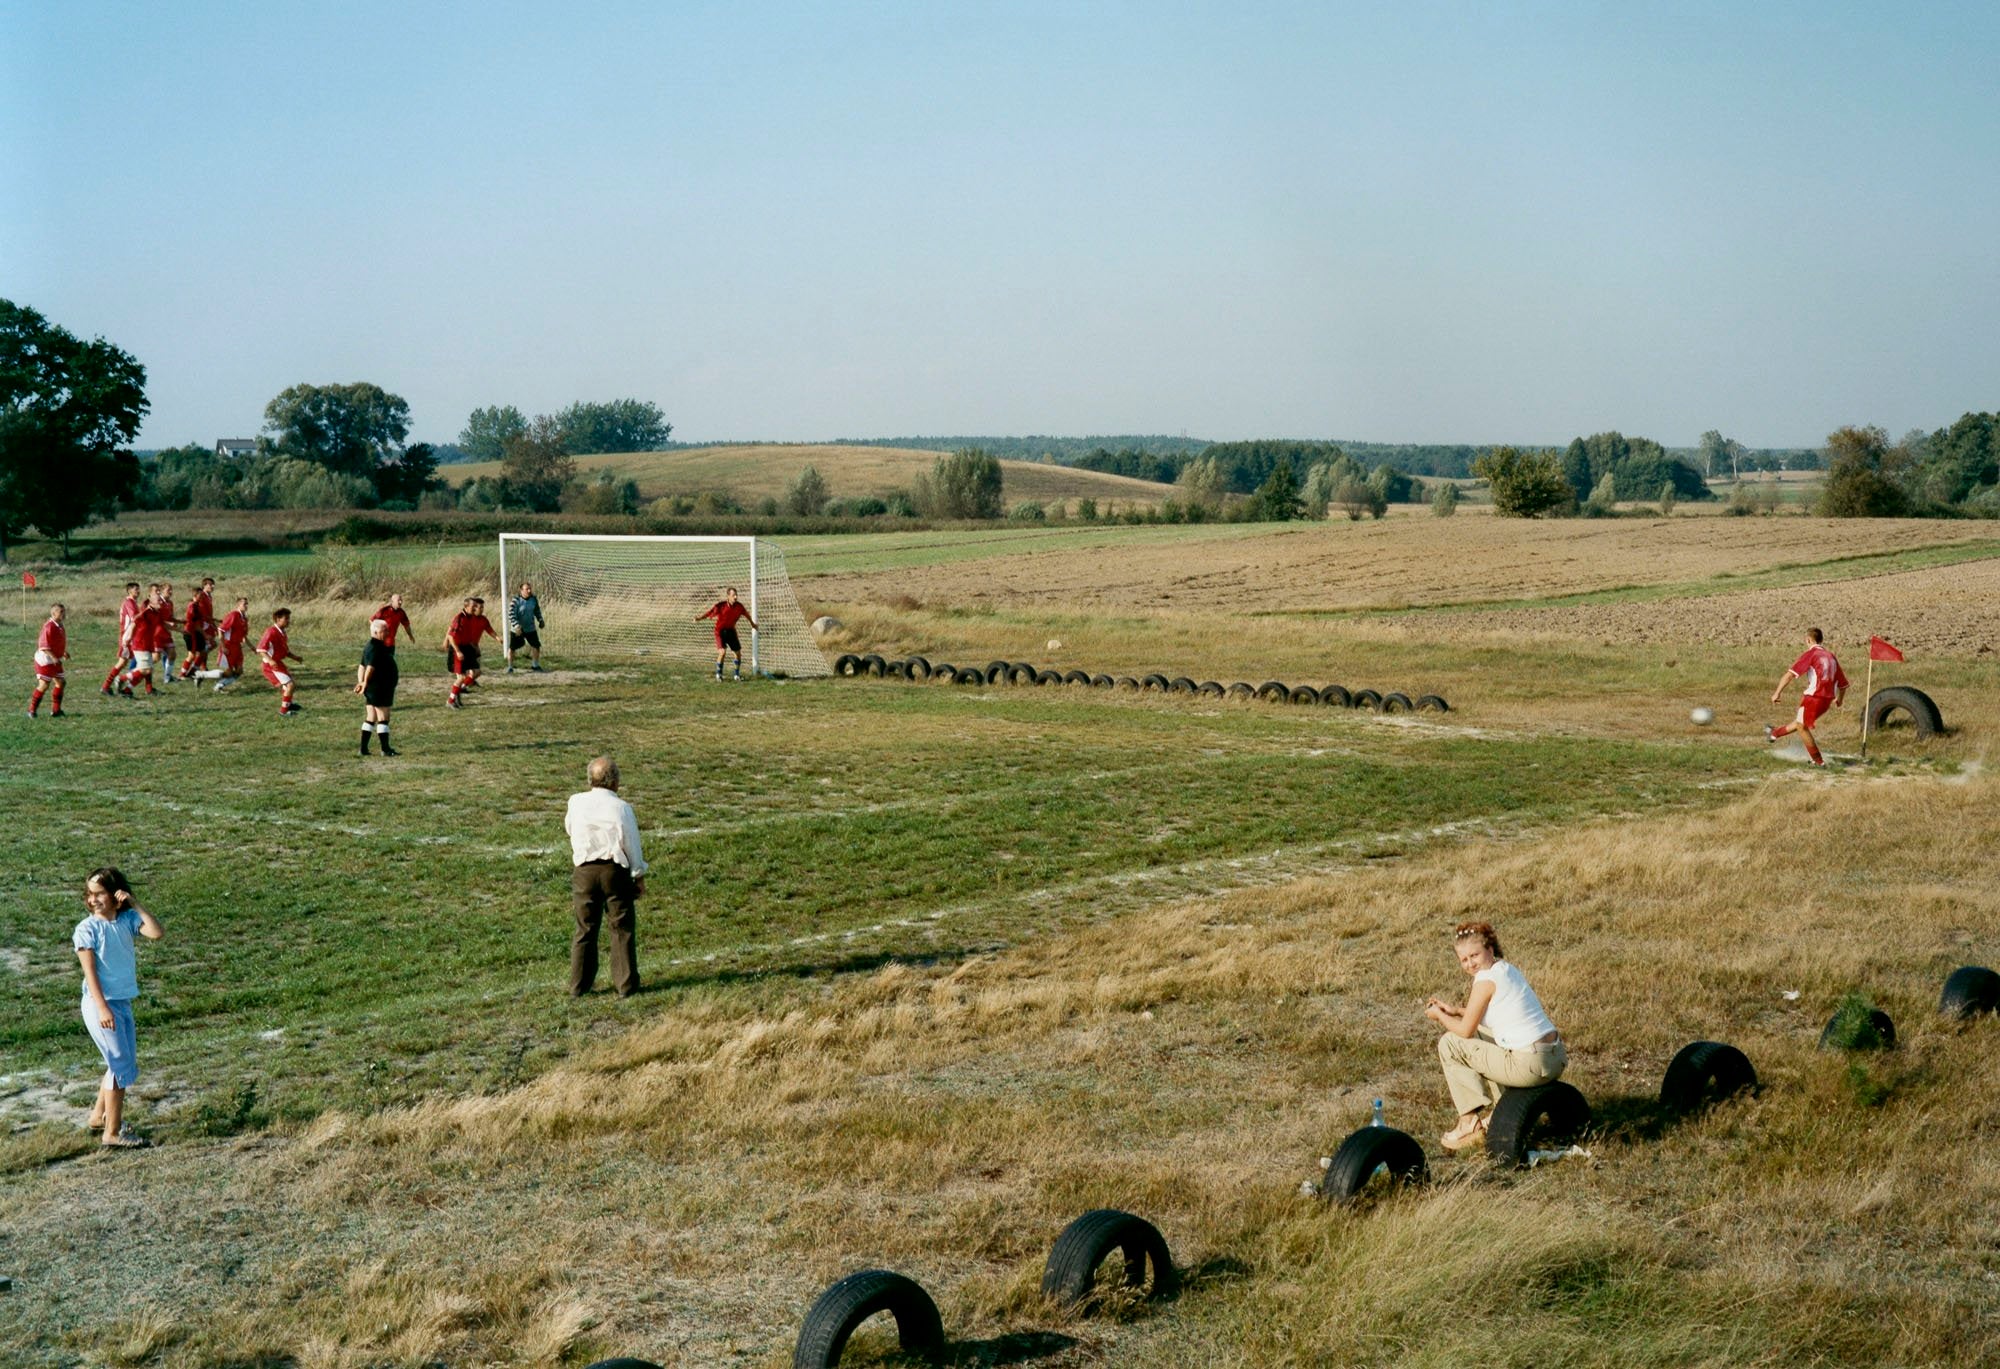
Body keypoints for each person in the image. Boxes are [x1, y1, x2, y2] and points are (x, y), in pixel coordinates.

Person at [1424, 921, 1565, 1152]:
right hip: (1554, 1057)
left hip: (1530, 1065)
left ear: (1490, 949)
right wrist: (1456, 1011)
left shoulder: (1484, 981)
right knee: (1482, 1034)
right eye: (1464, 959)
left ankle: (1468, 1122)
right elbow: (1490, 1016)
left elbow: (1464, 1031)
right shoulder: (1505, 969)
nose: (1470, 964)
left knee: (1450, 1043)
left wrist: (1439, 1016)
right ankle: (1503, 1110)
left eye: (1474, 955)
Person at [72, 866, 163, 1149]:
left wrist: (134, 903)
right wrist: (103, 1009)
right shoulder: (87, 929)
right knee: (120, 1064)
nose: (93, 899)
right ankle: (111, 1133)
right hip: (101, 1004)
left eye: (99, 893)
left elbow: (156, 933)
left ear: (116, 895)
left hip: (121, 1002)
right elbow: (90, 974)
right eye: (89, 894)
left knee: (119, 1062)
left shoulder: (126, 921)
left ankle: (98, 1116)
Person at [564, 755, 647, 997]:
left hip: (584, 871)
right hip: (614, 870)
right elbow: (631, 843)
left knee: (585, 929)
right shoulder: (621, 807)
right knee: (621, 927)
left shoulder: (575, 802)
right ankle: (626, 985)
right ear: (614, 782)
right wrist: (638, 875)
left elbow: (570, 828)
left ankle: (579, 986)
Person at [1766, 627, 1847, 768]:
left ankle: (1818, 761)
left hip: (1814, 697)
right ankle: (1774, 733)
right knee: (1800, 722)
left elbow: (1790, 674)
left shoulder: (1812, 654)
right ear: (1821, 640)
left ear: (1808, 640)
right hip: (1826, 700)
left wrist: (1777, 692)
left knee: (1801, 726)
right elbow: (1843, 685)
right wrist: (1840, 699)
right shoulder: (1831, 656)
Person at [353, 617, 401, 756]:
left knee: (371, 717)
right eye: (383, 630)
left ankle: (363, 748)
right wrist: (364, 683)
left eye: (387, 629)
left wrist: (360, 682)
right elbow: (370, 668)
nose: (387, 632)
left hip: (373, 687)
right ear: (375, 631)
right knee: (383, 717)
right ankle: (385, 749)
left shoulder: (369, 646)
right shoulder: (376, 648)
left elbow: (361, 666)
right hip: (379, 687)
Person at [444, 596, 498, 709]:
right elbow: (451, 636)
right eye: (473, 606)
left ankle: (460, 689)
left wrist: (474, 646)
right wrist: (457, 651)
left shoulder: (472, 617)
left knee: (477, 671)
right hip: (458, 648)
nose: (475, 608)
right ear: (466, 606)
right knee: (461, 677)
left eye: (476, 607)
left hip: (468, 647)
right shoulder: (459, 618)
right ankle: (450, 700)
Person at [696, 586, 757, 681]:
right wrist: (699, 618)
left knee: (738, 653)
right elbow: (709, 612)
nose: (736, 597)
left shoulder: (739, 607)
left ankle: (736, 675)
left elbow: (747, 614)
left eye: (736, 595)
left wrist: (753, 624)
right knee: (722, 652)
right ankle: (718, 675)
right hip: (720, 632)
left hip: (731, 631)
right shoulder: (721, 606)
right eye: (733, 595)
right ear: (728, 596)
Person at [258, 607, 304, 716]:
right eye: (286, 618)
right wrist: (270, 661)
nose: (288, 621)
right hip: (271, 666)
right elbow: (260, 649)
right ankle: (283, 711)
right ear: (278, 619)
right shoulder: (271, 632)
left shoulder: (282, 633)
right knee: (290, 685)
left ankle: (289, 704)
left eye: (289, 618)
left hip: (278, 663)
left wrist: (295, 657)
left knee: (288, 685)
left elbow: (285, 651)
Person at [123, 586, 168, 696]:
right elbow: (134, 622)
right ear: (151, 602)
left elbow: (163, 624)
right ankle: (122, 678)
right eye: (158, 601)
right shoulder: (146, 612)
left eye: (161, 601)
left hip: (148, 643)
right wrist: (128, 637)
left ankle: (130, 690)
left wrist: (180, 629)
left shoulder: (156, 613)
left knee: (148, 670)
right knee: (145, 670)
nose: (161, 603)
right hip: (140, 643)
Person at [101, 582, 141, 696]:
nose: (138, 591)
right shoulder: (129, 603)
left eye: (139, 589)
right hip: (127, 637)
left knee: (132, 662)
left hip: (131, 636)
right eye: (135, 589)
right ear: (129, 591)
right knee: (126, 662)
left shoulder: (133, 602)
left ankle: (112, 686)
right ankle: (109, 686)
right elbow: (135, 618)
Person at [30, 602, 68, 718]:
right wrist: (53, 657)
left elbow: (56, 643)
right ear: (53, 613)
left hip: (54, 659)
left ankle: (56, 711)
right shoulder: (49, 626)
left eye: (64, 611)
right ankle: (32, 710)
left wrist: (63, 653)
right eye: (61, 612)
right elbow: (43, 645)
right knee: (44, 685)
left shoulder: (59, 625)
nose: (63, 614)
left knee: (61, 682)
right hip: (45, 660)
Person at [177, 576, 217, 680]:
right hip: (194, 630)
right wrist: (206, 631)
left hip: (200, 628)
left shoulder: (202, 601)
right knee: (193, 654)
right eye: (210, 584)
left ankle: (193, 670)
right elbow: (196, 621)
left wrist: (214, 622)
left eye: (213, 584)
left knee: (203, 650)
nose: (213, 586)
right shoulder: (194, 606)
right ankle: (183, 674)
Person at [208, 596, 251, 691]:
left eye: (247, 604)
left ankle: (220, 684)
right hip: (229, 645)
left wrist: (252, 647)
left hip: (237, 647)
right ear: (238, 605)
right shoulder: (233, 615)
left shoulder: (244, 618)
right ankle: (205, 676)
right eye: (244, 604)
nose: (246, 606)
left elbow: (244, 636)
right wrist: (223, 646)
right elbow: (220, 630)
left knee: (239, 671)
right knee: (229, 672)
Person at [507, 581, 545, 673]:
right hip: (517, 629)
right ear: (521, 590)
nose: (529, 590)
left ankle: (535, 665)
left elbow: (537, 610)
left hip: (530, 628)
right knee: (512, 648)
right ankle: (510, 667)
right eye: (526, 589)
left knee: (536, 646)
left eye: (530, 588)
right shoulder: (516, 600)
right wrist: (516, 626)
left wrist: (540, 620)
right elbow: (511, 614)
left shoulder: (533, 599)